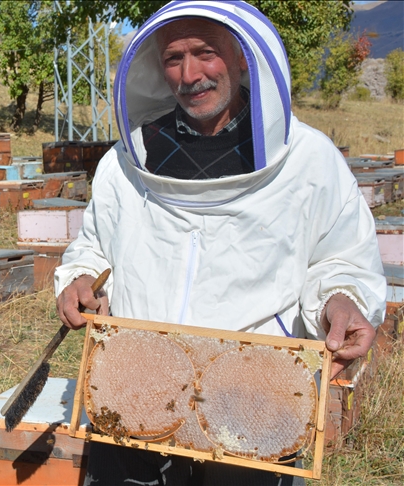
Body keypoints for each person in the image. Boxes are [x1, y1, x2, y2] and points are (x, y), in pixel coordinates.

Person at [54, 2, 386, 485]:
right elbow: (93, 246)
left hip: (254, 395)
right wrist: (80, 278)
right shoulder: (127, 160)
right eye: (174, 58)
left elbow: (341, 256)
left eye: (206, 53)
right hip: (136, 388)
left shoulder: (309, 161)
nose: (190, 74)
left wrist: (342, 301)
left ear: (242, 57)